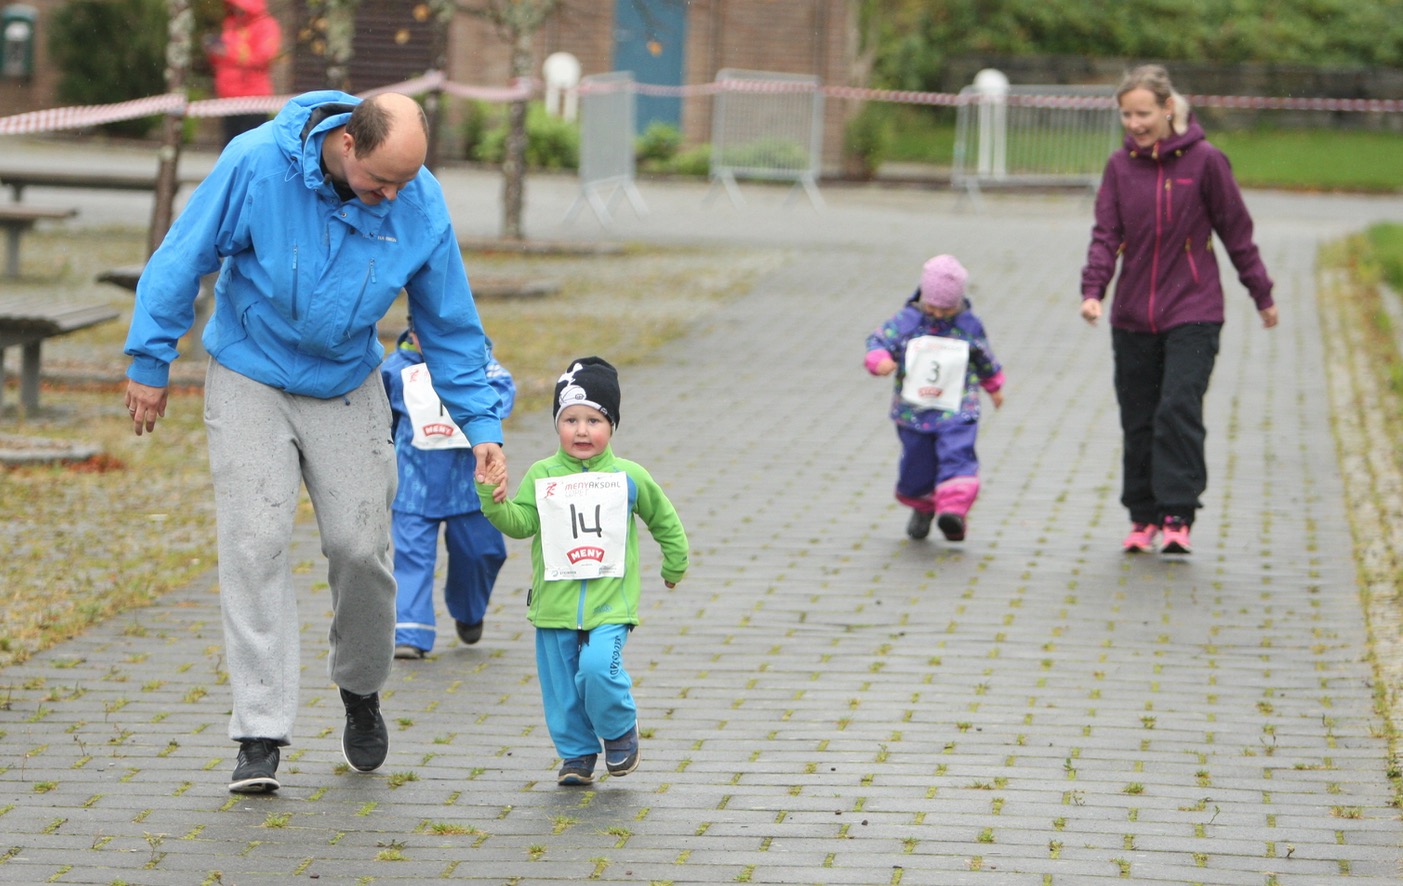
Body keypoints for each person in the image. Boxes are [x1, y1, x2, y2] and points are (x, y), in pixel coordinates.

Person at [122, 91, 509, 794]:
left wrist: (480, 426)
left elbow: (449, 326)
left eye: (404, 182)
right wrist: (151, 359)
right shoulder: (256, 163)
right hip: (250, 370)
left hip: (346, 380)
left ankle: (360, 688)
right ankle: (259, 732)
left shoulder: (418, 201)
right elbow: (183, 254)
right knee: (255, 541)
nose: (391, 197)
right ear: (347, 143)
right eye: (380, 181)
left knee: (360, 549)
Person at [1080, 64, 1277, 556]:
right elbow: (1106, 235)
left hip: (1194, 309)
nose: (1134, 124)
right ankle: (1142, 516)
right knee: (1139, 417)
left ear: (1168, 108)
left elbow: (1236, 232)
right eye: (1126, 115)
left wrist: (1262, 293)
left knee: (1177, 408)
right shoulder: (1119, 167)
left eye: (1143, 114)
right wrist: (1094, 289)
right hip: (1133, 315)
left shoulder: (1206, 162)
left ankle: (1177, 515)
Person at [475, 357, 689, 787]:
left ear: (612, 425)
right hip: (554, 606)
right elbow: (521, 524)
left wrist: (675, 562)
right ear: (557, 424)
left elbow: (664, 519)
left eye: (594, 420)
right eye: (570, 420)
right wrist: (492, 498)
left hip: (610, 604)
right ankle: (577, 754)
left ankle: (618, 728)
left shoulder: (628, 476)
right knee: (562, 691)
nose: (581, 431)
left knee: (597, 669)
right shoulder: (542, 474)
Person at [382, 319, 516, 660]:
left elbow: (503, 389)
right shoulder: (394, 369)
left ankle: (469, 610)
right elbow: (378, 415)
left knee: (480, 553)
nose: (431, 342)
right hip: (413, 484)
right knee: (411, 558)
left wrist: (484, 409)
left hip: (469, 484)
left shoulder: (479, 360)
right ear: (412, 333)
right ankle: (410, 632)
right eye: (423, 334)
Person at [865, 254, 1005, 542]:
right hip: (915, 411)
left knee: (958, 455)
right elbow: (879, 340)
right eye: (933, 307)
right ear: (923, 298)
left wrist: (994, 385)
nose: (939, 315)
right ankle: (923, 507)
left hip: (957, 408)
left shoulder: (967, 325)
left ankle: (953, 512)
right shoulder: (908, 321)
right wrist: (879, 360)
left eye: (947, 309)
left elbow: (984, 356)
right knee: (917, 466)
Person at [204, 0, 282, 146]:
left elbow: (263, 57)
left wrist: (228, 53)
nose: (236, 9)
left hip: (254, 99)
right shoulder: (231, 23)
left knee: (253, 146)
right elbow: (220, 62)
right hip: (229, 98)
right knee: (230, 146)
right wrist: (214, 51)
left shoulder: (267, 25)